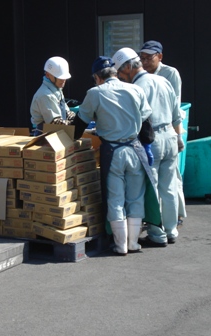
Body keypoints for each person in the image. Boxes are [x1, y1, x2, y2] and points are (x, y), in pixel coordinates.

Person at [72, 56, 153, 255]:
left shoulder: (94, 93)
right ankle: (133, 243)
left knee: (116, 198)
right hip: (136, 150)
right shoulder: (136, 89)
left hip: (113, 151)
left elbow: (77, 127)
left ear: (97, 77)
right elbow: (148, 129)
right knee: (136, 197)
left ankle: (120, 245)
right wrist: (147, 146)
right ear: (115, 73)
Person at [112, 47, 185, 247]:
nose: (119, 76)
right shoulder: (163, 81)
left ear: (128, 67)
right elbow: (177, 115)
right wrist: (179, 137)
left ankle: (157, 232)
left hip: (150, 140)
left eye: (120, 72)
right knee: (169, 187)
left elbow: (133, 120)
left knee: (151, 188)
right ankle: (171, 230)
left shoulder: (136, 88)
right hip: (170, 135)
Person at [140, 40, 187, 226]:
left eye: (148, 57)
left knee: (172, 178)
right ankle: (162, 221)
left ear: (159, 57)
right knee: (158, 180)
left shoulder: (170, 73)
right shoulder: (141, 76)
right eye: (141, 57)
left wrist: (178, 136)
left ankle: (176, 216)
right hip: (151, 130)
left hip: (167, 128)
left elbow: (175, 104)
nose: (144, 61)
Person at [30, 56, 76, 134]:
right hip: (45, 135)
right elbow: (55, 123)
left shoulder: (57, 90)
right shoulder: (45, 95)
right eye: (60, 78)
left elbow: (66, 113)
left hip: (57, 132)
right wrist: (78, 124)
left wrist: (79, 118)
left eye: (64, 78)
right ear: (48, 75)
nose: (63, 80)